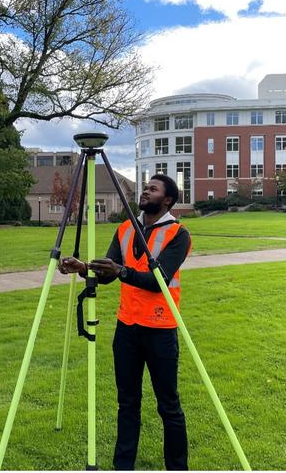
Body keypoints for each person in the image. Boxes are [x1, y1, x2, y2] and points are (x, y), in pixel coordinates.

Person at [59, 174, 192, 470]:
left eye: (153, 189)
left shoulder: (178, 234)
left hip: (160, 330)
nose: (145, 191)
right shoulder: (125, 229)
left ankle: (178, 467)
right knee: (127, 404)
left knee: (168, 406)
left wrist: (121, 272)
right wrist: (83, 268)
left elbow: (158, 281)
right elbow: (108, 273)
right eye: (145, 188)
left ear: (167, 199)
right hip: (127, 330)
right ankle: (123, 466)